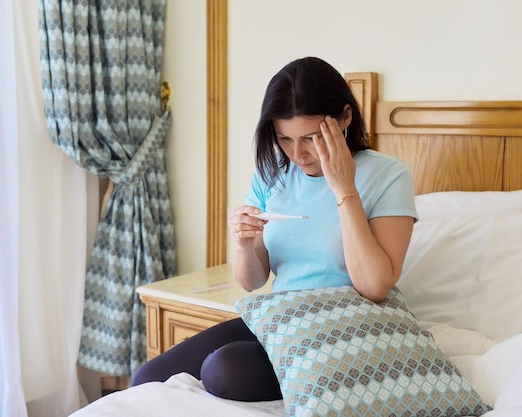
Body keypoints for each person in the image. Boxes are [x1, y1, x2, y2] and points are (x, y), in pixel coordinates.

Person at [131, 56, 418, 401]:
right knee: (148, 377)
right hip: (282, 319)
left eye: (311, 138)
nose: (297, 154)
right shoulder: (272, 174)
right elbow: (252, 280)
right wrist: (242, 243)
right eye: (284, 138)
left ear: (344, 117)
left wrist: (344, 190)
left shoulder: (388, 175)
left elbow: (375, 286)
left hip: (346, 326)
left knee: (223, 370)